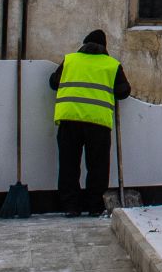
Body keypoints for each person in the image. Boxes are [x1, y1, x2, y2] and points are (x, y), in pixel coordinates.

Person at [50, 29, 130, 217]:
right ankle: (95, 207)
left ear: (84, 44)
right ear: (104, 47)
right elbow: (124, 92)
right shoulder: (112, 65)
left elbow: (54, 83)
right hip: (98, 123)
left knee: (69, 165)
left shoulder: (70, 60)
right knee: (97, 167)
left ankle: (71, 206)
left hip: (69, 120)